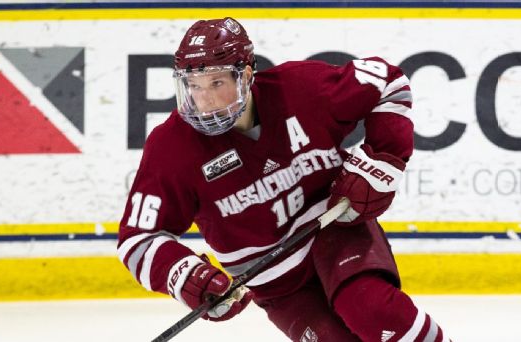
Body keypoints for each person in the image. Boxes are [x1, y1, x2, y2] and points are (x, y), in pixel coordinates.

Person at [118, 17, 450, 342]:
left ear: (245, 76)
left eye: (216, 83)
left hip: (337, 231)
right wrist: (185, 276)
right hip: (277, 285)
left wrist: (382, 160)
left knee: (375, 313)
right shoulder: (172, 147)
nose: (203, 101)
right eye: (193, 86)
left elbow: (387, 82)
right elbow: (138, 240)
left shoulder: (300, 90)